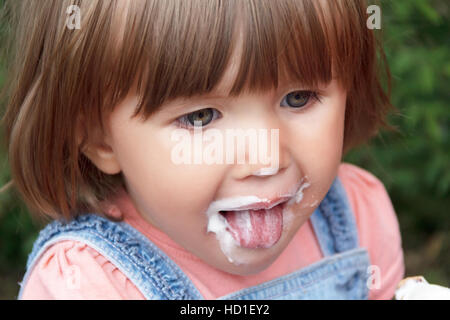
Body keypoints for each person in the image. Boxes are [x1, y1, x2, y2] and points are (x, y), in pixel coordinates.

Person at [1, 0, 404, 299]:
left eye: (298, 98)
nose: (266, 160)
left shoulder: (357, 216)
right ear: (99, 138)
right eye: (200, 117)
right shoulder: (88, 285)